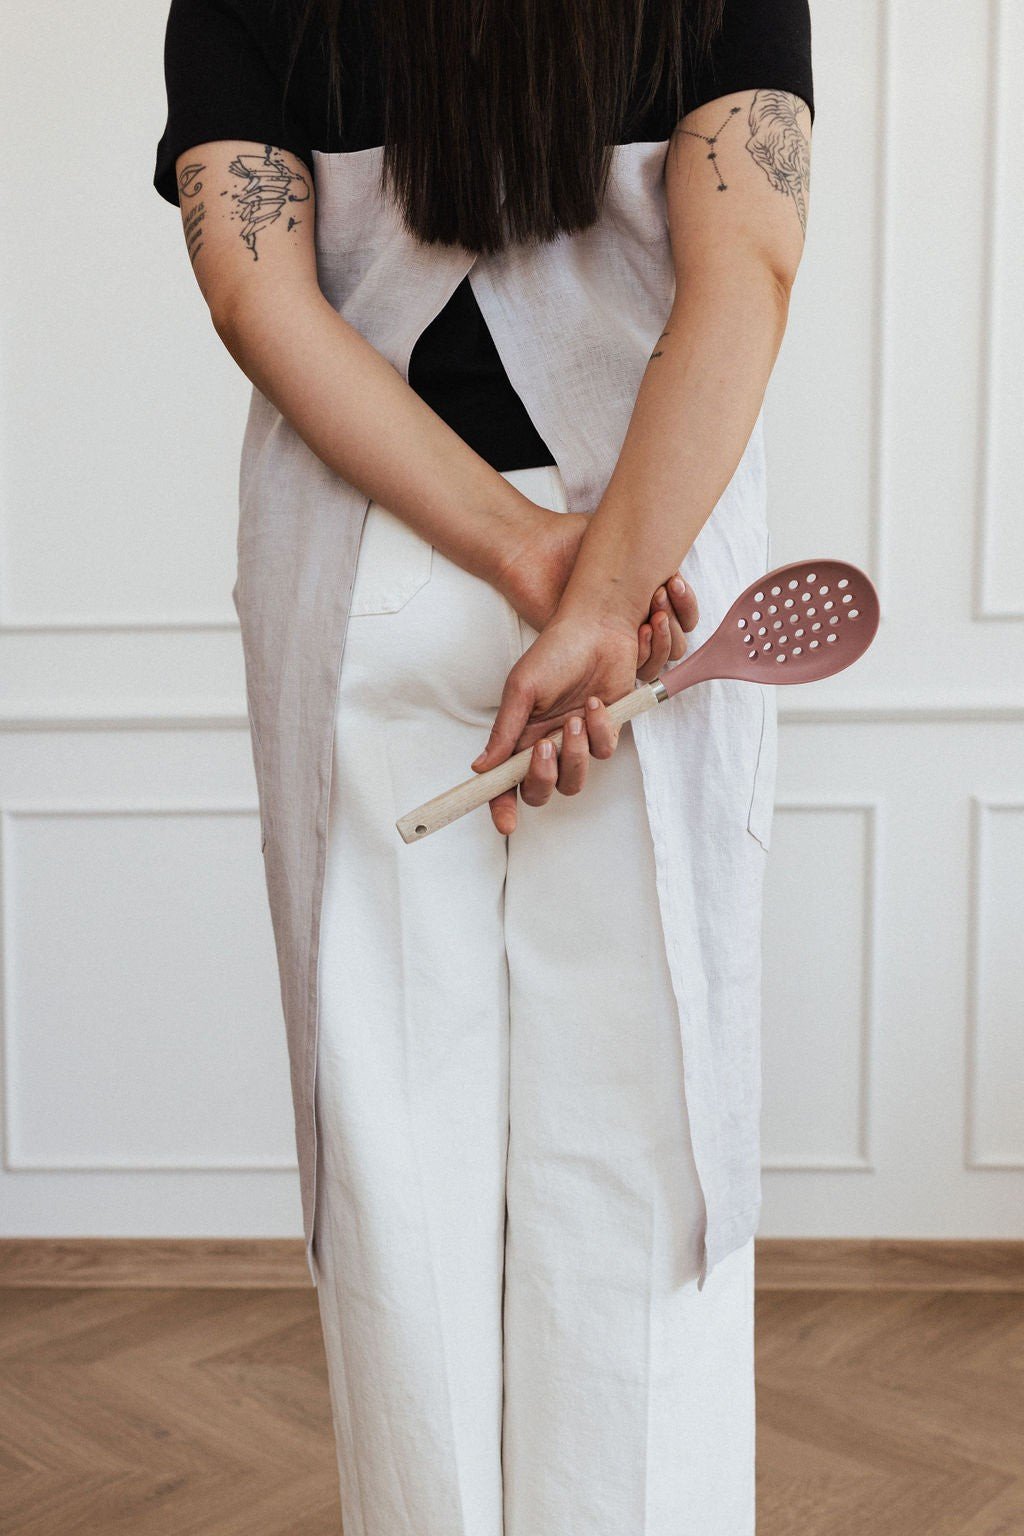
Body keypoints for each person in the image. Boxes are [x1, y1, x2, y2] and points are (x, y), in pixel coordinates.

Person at [153, 0, 813, 1529]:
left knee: (401, 1156)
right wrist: (592, 593)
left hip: (371, 557)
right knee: (642, 1157)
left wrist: (524, 561)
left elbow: (257, 298)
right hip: (651, 582)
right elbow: (749, 267)